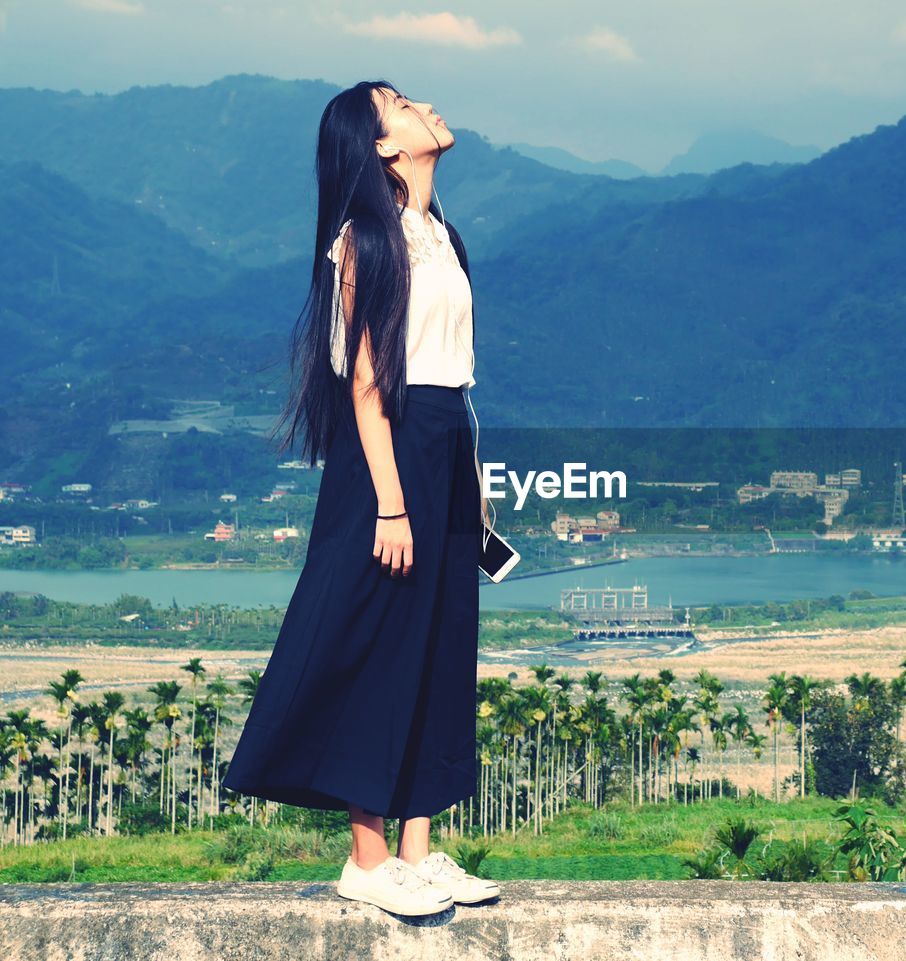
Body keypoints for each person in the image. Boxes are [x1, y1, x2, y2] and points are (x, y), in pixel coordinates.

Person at [222, 81, 499, 917]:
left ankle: (416, 850)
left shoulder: (439, 233)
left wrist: (472, 488)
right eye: (404, 103)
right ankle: (368, 859)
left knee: (439, 640)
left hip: (444, 441)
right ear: (385, 146)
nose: (428, 107)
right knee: (375, 637)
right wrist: (389, 501)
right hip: (389, 452)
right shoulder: (365, 239)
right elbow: (371, 383)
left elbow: (456, 376)